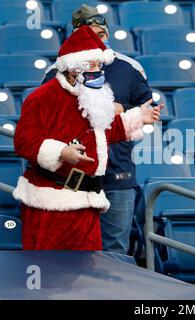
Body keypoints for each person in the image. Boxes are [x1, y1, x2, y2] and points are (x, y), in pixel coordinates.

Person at [13, 26, 162, 250]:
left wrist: (138, 117)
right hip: (50, 203)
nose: (99, 71)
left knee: (87, 274)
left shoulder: (90, 96)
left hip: (87, 201)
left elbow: (105, 131)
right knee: (49, 271)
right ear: (73, 68)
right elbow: (24, 140)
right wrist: (61, 152)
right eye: (92, 65)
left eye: (100, 65)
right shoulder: (42, 97)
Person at [42, 5, 153, 254]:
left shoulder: (129, 68)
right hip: (72, 174)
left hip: (118, 172)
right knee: (71, 246)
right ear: (75, 36)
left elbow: (151, 113)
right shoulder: (58, 71)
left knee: (114, 249)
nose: (96, 40)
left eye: (100, 34)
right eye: (88, 33)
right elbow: (45, 122)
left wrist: (118, 109)